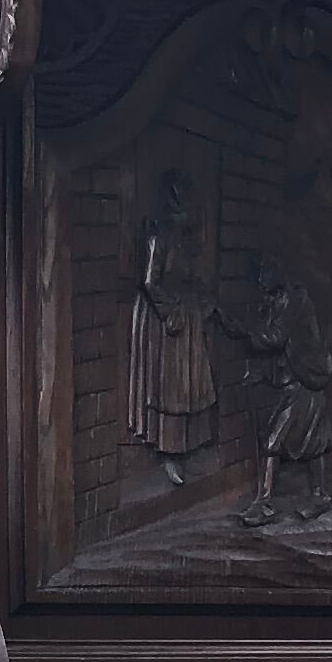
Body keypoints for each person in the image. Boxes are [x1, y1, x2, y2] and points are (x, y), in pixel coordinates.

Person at [125, 169, 219, 483]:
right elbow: (151, 283)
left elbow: (191, 276)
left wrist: (203, 300)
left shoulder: (185, 241)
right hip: (164, 318)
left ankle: (189, 447)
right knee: (171, 386)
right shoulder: (159, 238)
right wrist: (170, 313)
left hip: (187, 313)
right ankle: (168, 453)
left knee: (192, 384)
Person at [230, 261, 332, 527]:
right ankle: (319, 495)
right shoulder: (274, 300)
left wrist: (246, 331)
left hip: (305, 379)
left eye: (265, 275)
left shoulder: (295, 299)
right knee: (312, 440)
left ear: (278, 274)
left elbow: (275, 337)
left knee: (276, 441)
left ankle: (264, 503)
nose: (261, 283)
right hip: (294, 383)